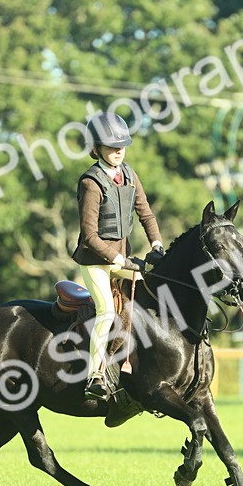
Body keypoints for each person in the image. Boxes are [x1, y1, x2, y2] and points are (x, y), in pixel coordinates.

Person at [72, 112, 165, 401]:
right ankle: (94, 375)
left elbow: (145, 212)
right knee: (107, 312)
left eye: (122, 145)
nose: (119, 151)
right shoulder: (91, 183)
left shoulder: (129, 174)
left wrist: (157, 244)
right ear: (96, 148)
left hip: (122, 261)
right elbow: (89, 237)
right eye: (112, 147)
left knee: (152, 294)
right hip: (95, 263)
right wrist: (120, 260)